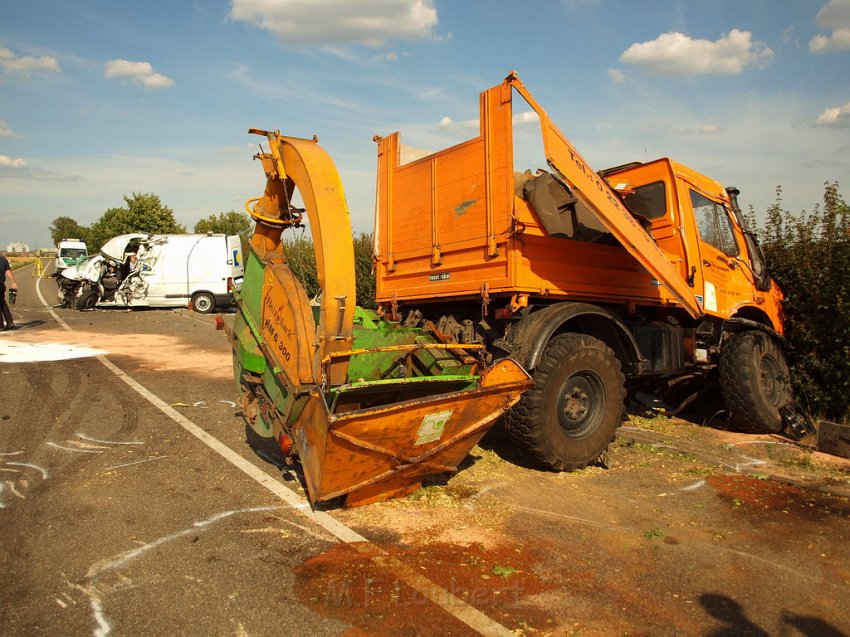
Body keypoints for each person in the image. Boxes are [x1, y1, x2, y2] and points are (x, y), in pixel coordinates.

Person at [0, 253, 18, 330]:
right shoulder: (3, 259)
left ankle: (0, 325)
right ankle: (10, 323)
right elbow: (8, 272)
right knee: (2, 303)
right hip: (1, 285)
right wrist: (13, 282)